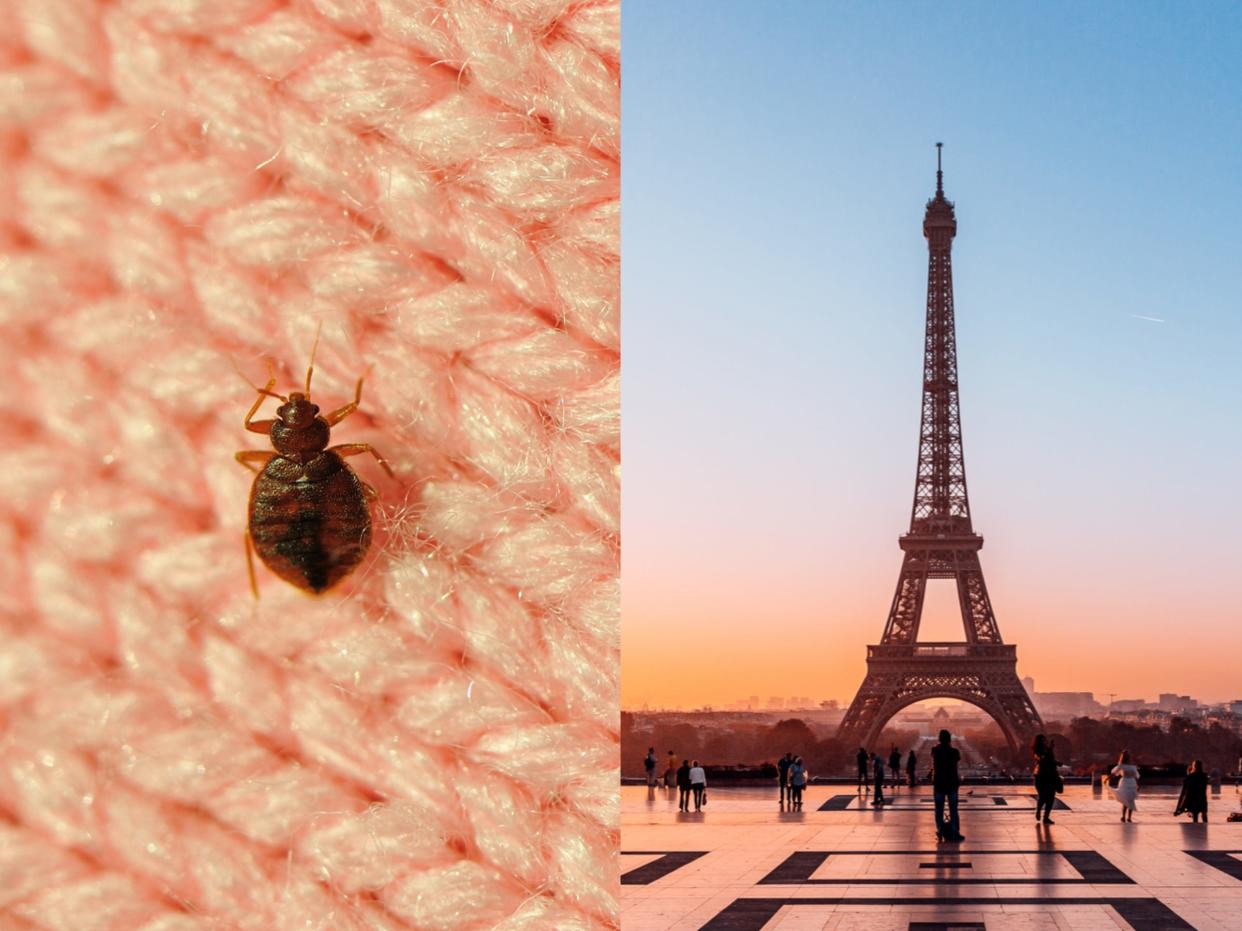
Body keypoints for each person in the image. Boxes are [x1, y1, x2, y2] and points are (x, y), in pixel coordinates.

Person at [930, 729, 963, 842]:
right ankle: (955, 832)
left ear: (939, 739)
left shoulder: (935, 750)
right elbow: (957, 760)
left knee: (939, 810)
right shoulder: (955, 752)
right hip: (952, 783)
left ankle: (940, 831)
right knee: (954, 810)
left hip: (939, 784)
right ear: (949, 739)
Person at [1031, 734, 1060, 825]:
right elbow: (1043, 759)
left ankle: (1046, 817)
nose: (1044, 742)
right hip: (1042, 776)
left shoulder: (1047, 750)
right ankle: (1039, 810)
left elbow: (1050, 760)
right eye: (1042, 740)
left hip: (1050, 775)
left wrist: (1056, 762)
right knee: (1043, 796)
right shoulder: (1038, 751)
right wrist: (1050, 749)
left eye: (1044, 740)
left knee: (1050, 798)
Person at [1111, 750, 1140, 822]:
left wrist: (1137, 784)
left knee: (1128, 800)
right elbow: (1114, 773)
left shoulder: (1128, 766)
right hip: (1128, 783)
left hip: (1128, 782)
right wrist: (1138, 784)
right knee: (1128, 800)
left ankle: (1126, 817)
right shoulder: (1125, 766)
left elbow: (1114, 773)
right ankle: (1126, 817)